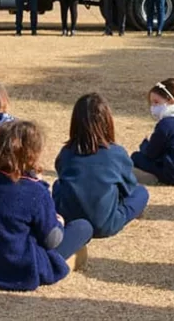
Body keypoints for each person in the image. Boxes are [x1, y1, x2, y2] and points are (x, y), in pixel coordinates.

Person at [0, 120, 93, 291]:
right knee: (83, 227)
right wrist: (59, 223)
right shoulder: (34, 191)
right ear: (32, 154)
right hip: (22, 269)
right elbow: (52, 239)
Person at [52, 93, 150, 238]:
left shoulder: (66, 153)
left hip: (72, 220)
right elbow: (129, 188)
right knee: (141, 192)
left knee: (57, 184)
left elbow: (62, 177)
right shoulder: (116, 153)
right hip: (105, 225)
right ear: (108, 121)